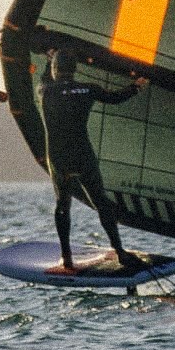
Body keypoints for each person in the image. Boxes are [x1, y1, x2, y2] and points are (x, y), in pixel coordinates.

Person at [39, 48, 148, 273]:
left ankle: (67, 258)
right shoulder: (88, 90)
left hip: (59, 157)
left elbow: (44, 79)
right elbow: (115, 98)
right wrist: (136, 85)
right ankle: (119, 251)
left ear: (55, 69)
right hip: (82, 154)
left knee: (62, 205)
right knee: (101, 202)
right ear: (75, 69)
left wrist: (47, 62)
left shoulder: (46, 91)